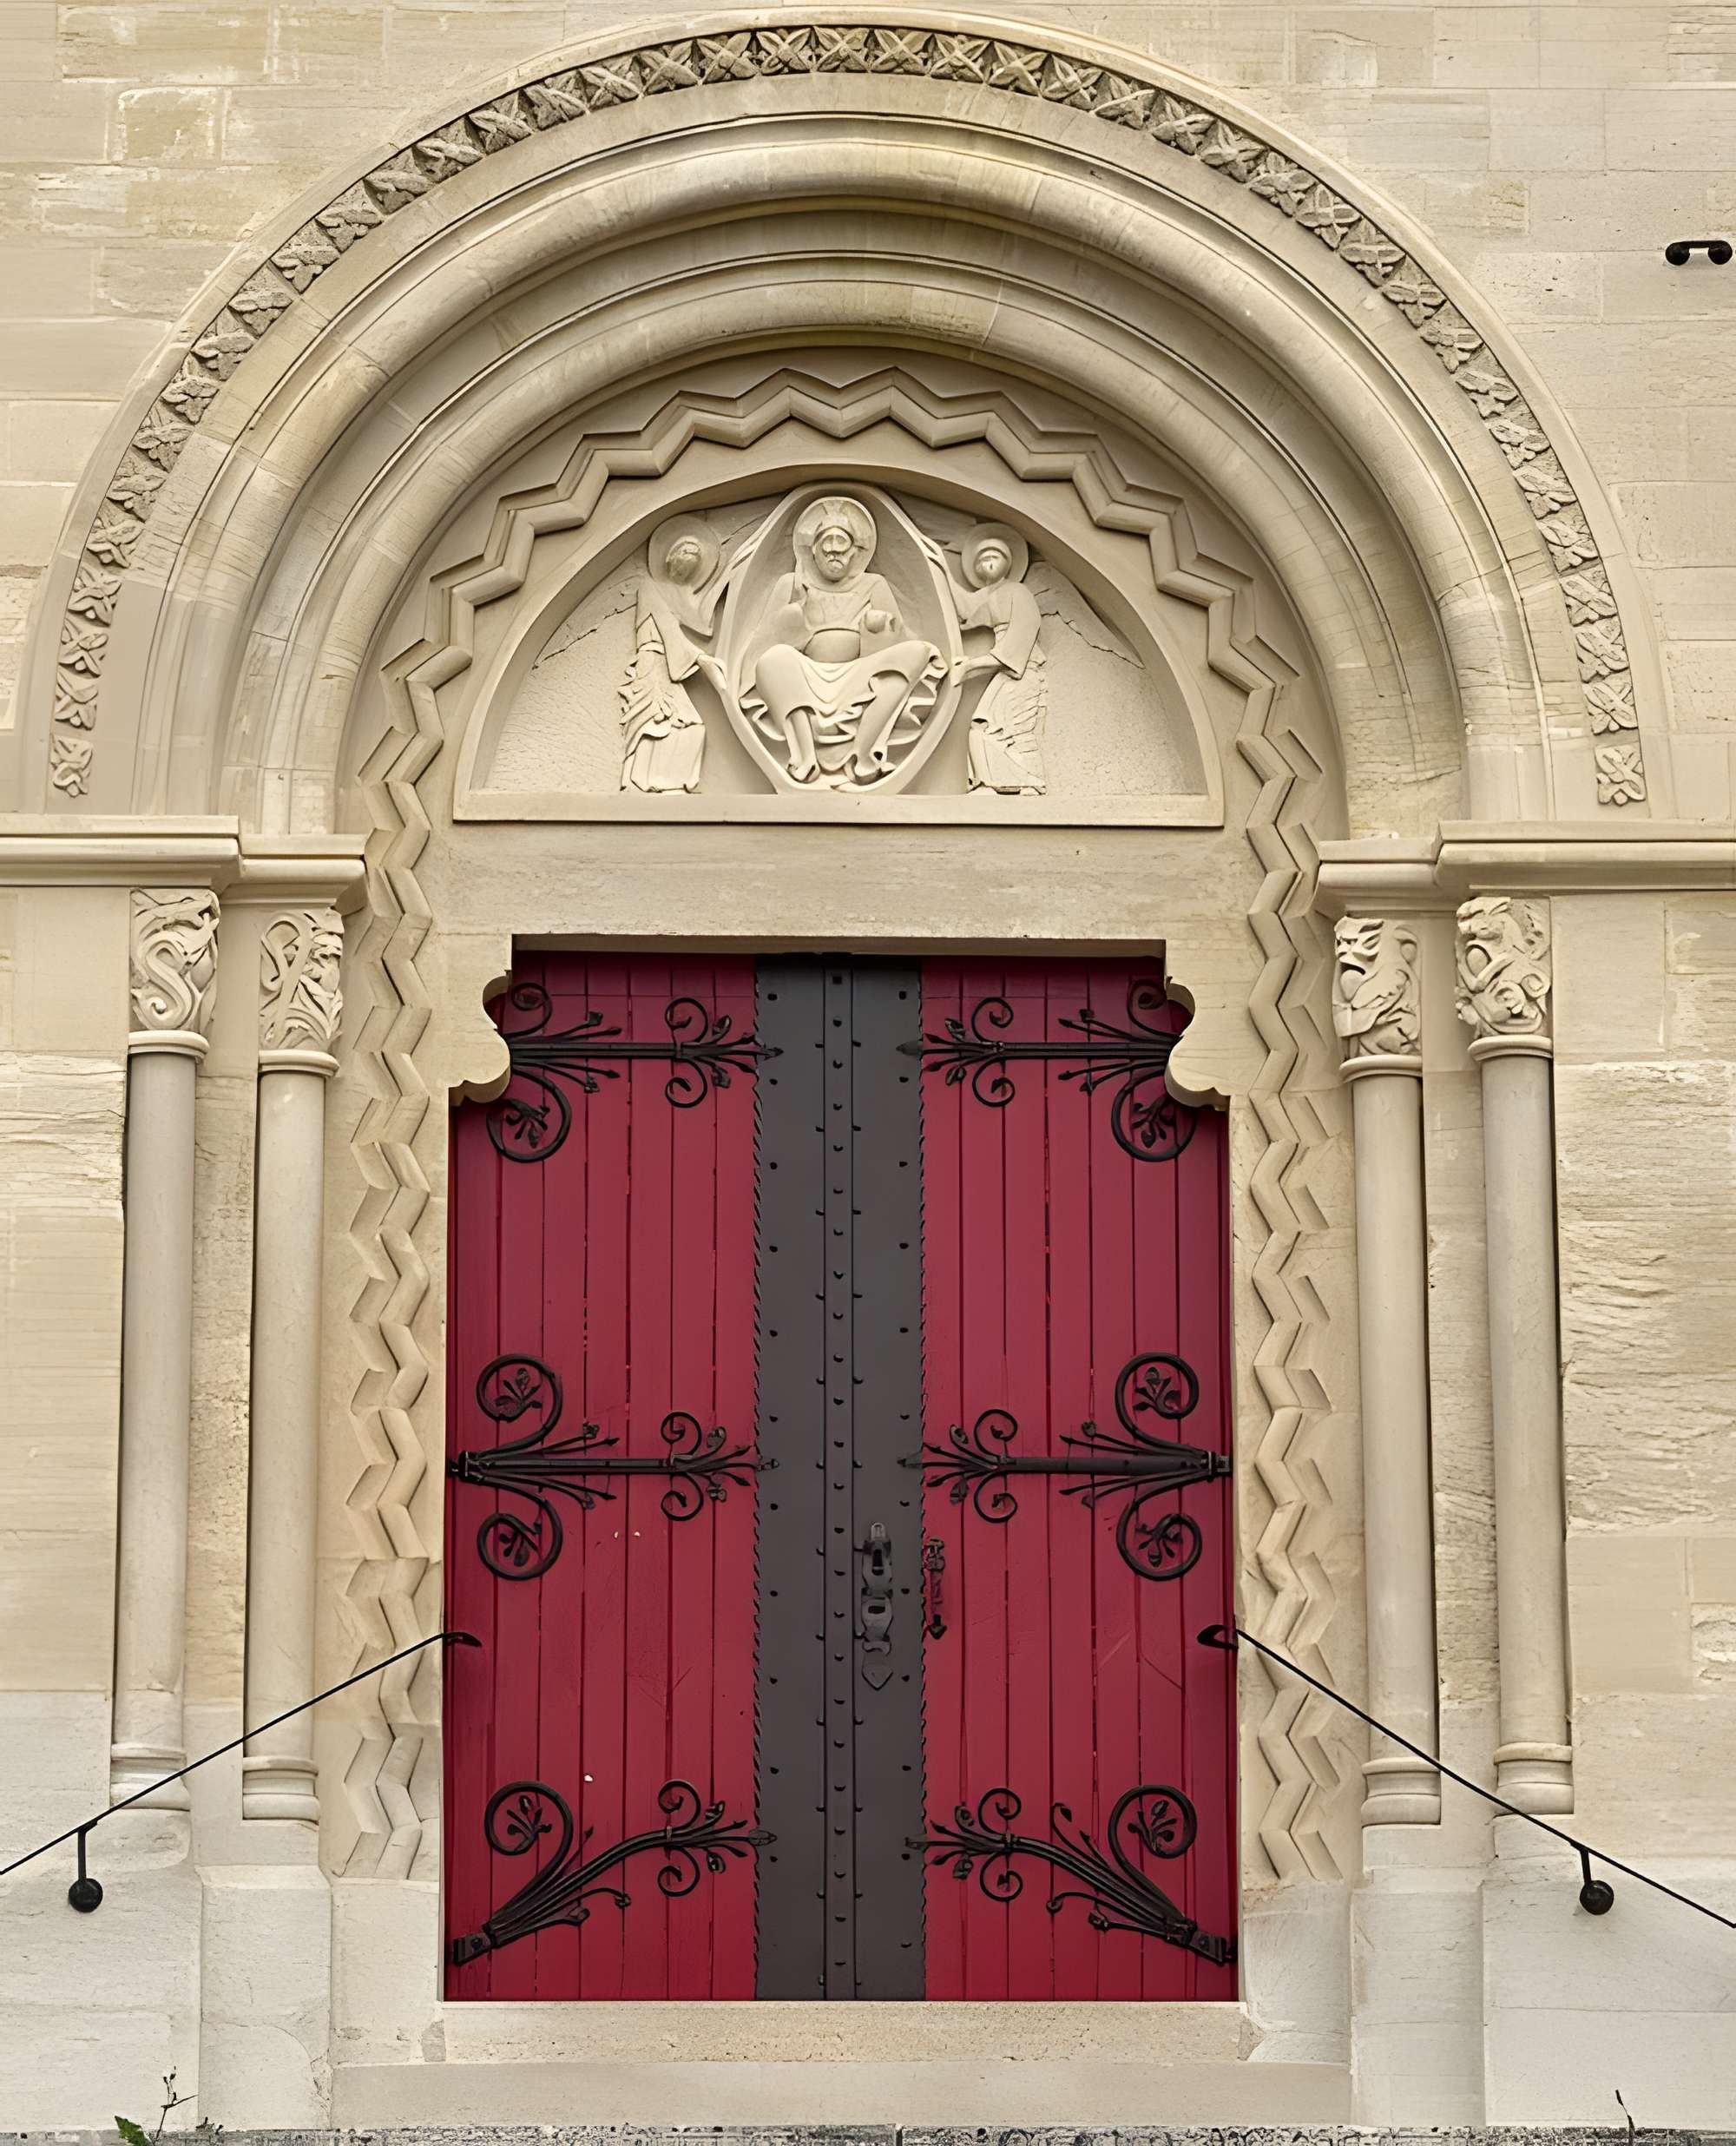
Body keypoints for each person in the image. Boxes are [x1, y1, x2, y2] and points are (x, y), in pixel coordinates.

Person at [739, 495, 944, 785]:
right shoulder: (792, 584)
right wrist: (795, 614)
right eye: (827, 546)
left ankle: (864, 755)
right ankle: (804, 758)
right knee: (773, 660)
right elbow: (765, 641)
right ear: (813, 552)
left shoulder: (874, 584)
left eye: (842, 546)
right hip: (805, 671)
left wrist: (878, 627)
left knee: (916, 652)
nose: (834, 552)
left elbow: (896, 638)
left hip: (858, 672)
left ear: (856, 552)